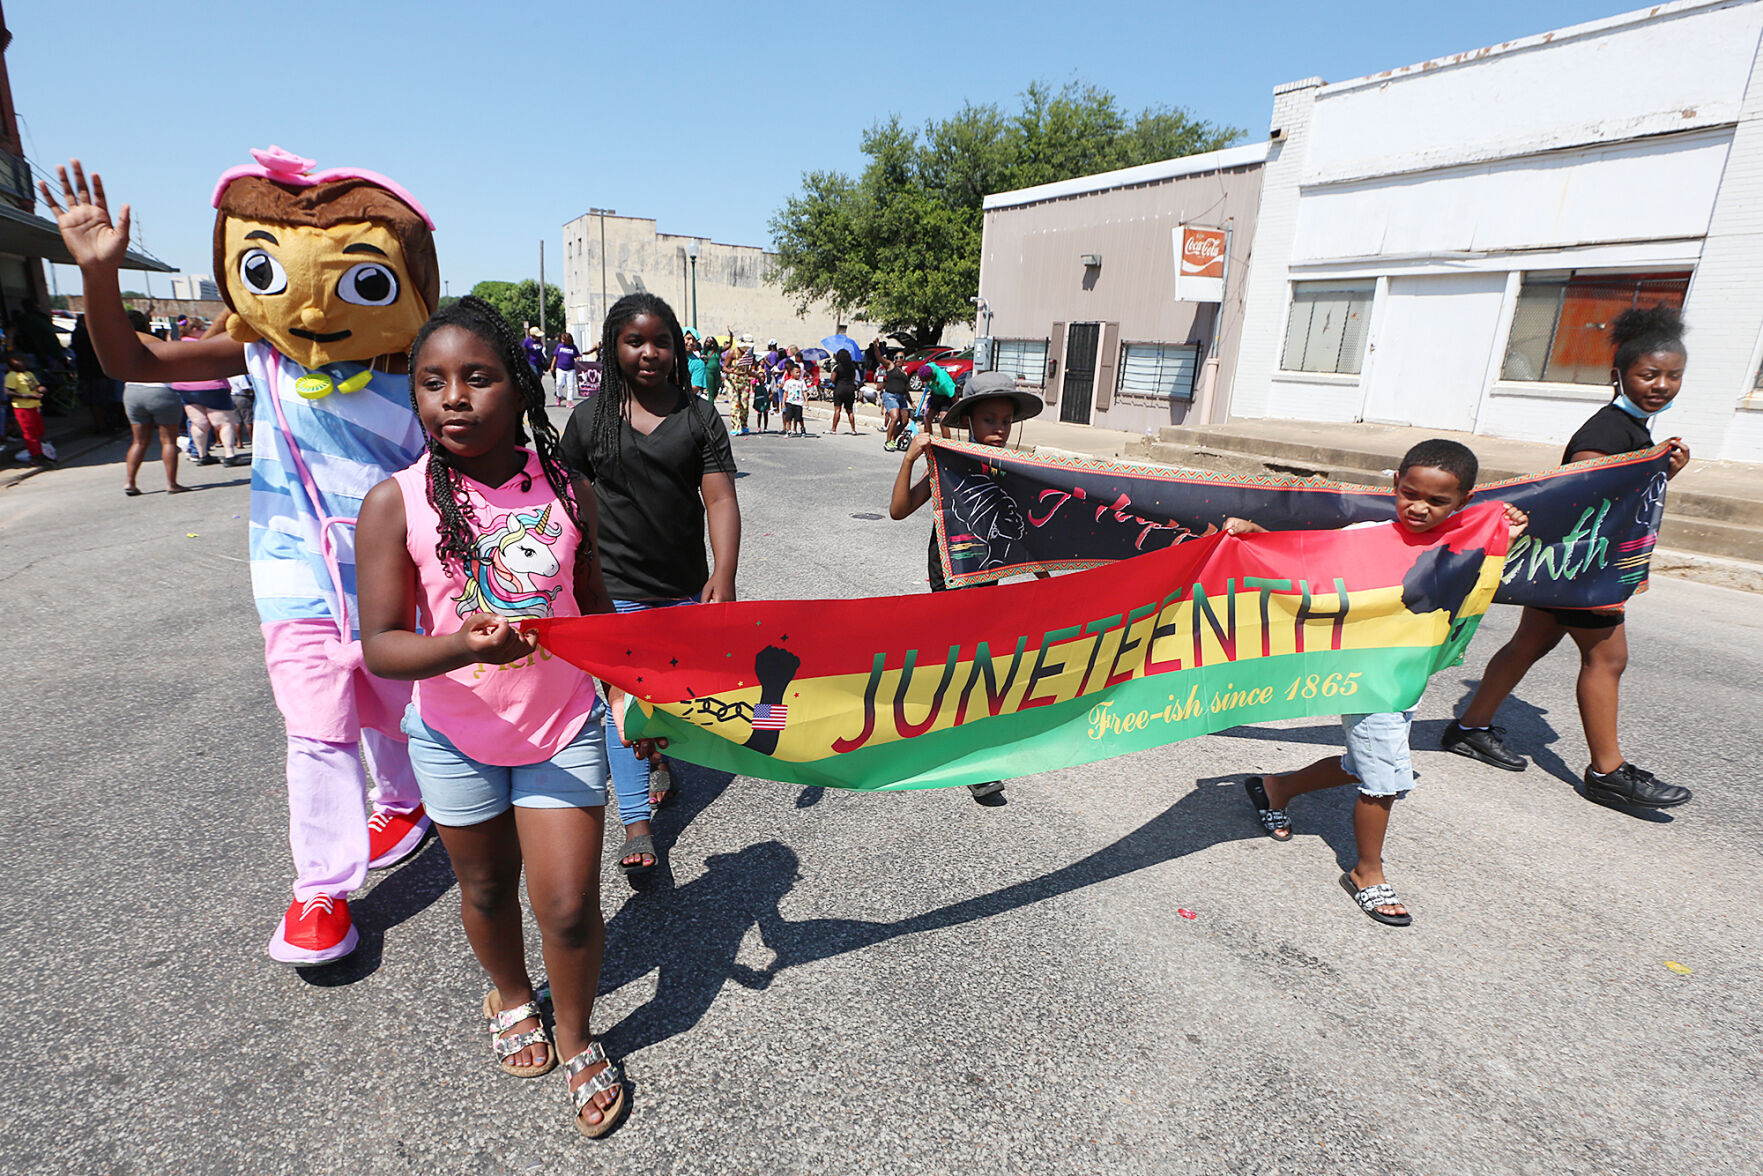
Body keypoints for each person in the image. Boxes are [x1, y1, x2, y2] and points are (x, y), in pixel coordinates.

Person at [44, 152, 435, 962]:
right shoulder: (262, 351)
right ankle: (321, 888)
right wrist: (99, 279)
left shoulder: (418, 364)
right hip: (294, 569)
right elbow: (133, 363)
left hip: (396, 569)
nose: (316, 304)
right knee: (318, 727)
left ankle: (402, 800)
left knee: (398, 701)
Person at [357, 297, 629, 1137]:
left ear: (519, 387)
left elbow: (594, 612)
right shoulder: (394, 503)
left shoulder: (568, 491)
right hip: (451, 738)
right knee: (482, 885)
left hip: (559, 732)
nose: (454, 398)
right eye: (432, 382)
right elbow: (381, 646)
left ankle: (578, 1033)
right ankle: (512, 995)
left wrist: (631, 687)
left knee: (572, 904)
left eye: (477, 377)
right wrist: (463, 650)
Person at [1229, 439, 1528, 927]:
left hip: (1407, 672)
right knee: (1385, 774)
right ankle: (1367, 871)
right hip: (1366, 674)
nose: (1419, 507)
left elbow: (1479, 575)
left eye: (1437, 501)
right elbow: (1306, 564)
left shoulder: (1462, 540)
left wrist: (1506, 531)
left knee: (1362, 762)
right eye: (1410, 493)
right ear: (1394, 485)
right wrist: (1257, 535)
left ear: (1463, 502)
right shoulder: (1367, 534)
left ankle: (1275, 787)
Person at [1443, 305, 1694, 811]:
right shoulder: (1605, 432)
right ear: (1619, 376)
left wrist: (1661, 472)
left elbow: (1622, 497)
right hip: (1584, 570)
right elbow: (1586, 489)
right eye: (1649, 374)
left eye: (1673, 376)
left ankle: (1469, 727)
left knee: (1528, 645)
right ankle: (1608, 771)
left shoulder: (1635, 430)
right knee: (1607, 658)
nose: (1662, 384)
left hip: (1573, 566)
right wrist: (1644, 471)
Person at [560, 292, 740, 876]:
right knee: (623, 706)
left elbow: (719, 497)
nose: (649, 353)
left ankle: (660, 759)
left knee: (674, 698)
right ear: (614, 347)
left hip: (685, 586)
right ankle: (637, 822)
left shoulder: (699, 414)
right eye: (635, 341)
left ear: (676, 348)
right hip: (615, 591)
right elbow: (565, 504)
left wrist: (724, 576)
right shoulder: (588, 419)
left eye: (661, 341)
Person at [889, 372, 1050, 802]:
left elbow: (1025, 537)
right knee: (963, 663)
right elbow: (898, 511)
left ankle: (962, 741)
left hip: (988, 580)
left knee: (978, 666)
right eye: (989, 419)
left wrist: (1047, 580)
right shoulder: (948, 465)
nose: (998, 428)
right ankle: (970, 756)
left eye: (1006, 421)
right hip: (950, 578)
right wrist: (910, 460)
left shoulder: (1013, 471)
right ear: (970, 422)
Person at [117, 310, 188, 495]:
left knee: (139, 441)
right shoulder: (154, 342)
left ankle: (129, 482)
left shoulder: (122, 343)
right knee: (168, 441)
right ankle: (171, 484)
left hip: (132, 390)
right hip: (160, 390)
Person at [171, 318, 246, 467]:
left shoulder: (176, 345)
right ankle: (230, 455)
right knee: (224, 423)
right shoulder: (205, 346)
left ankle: (202, 455)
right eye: (202, 328)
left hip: (184, 388)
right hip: (212, 386)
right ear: (194, 330)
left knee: (198, 423)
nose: (206, 331)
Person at [71, 314, 126, 434]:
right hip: (95, 372)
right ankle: (102, 426)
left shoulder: (78, 333)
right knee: (99, 400)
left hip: (88, 372)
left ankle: (103, 424)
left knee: (97, 400)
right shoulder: (86, 334)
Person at [4, 352, 49, 465]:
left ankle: (40, 451)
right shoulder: (12, 376)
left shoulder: (29, 374)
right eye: (17, 360)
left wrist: (41, 388)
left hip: (35, 406)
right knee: (30, 432)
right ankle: (35, 455)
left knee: (39, 430)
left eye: (23, 360)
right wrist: (26, 396)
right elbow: (8, 391)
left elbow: (36, 386)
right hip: (23, 408)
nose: (22, 362)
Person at [920, 358, 957, 438]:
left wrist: (957, 409)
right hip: (935, 395)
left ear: (930, 377)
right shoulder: (927, 368)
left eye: (925, 381)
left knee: (943, 421)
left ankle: (946, 445)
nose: (924, 383)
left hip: (946, 397)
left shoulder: (943, 381)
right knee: (926, 419)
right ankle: (929, 440)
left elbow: (953, 395)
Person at [879, 355, 911, 451]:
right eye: (896, 357)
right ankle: (888, 442)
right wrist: (876, 347)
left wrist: (911, 402)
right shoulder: (891, 367)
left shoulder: (905, 373)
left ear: (904, 360)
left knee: (905, 421)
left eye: (901, 357)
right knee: (895, 417)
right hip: (891, 396)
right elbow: (880, 359)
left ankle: (893, 439)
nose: (898, 359)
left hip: (902, 397)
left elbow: (906, 390)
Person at [830, 346, 858, 433]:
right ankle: (853, 429)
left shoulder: (837, 367)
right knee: (850, 410)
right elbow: (853, 379)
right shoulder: (852, 367)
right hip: (850, 389)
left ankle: (834, 429)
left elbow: (832, 379)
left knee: (837, 409)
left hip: (839, 388)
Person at [550, 331, 581, 406]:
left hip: (570, 369)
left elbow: (578, 355)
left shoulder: (573, 347)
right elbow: (555, 356)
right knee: (559, 384)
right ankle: (559, 396)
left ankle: (569, 401)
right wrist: (552, 366)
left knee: (570, 385)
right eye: (562, 339)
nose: (562, 341)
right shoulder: (560, 346)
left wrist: (577, 359)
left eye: (564, 339)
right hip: (560, 368)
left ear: (568, 340)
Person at [781, 361, 807, 436]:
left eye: (799, 372)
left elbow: (804, 391)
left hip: (798, 403)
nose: (798, 374)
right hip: (789, 402)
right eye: (796, 372)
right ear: (791, 372)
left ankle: (802, 428)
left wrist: (806, 401)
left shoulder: (801, 382)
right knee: (788, 418)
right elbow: (785, 392)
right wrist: (783, 402)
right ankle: (788, 430)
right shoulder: (788, 382)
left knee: (799, 418)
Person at [684, 331, 706, 396]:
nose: (691, 342)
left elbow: (695, 388)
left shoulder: (698, 363)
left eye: (694, 340)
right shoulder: (668, 358)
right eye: (688, 339)